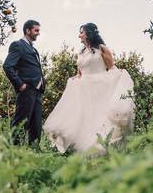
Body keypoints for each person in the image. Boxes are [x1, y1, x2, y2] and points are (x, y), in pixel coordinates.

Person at [44, 23, 134, 154]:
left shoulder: (102, 49)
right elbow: (79, 73)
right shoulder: (81, 52)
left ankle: (100, 148)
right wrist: (74, 80)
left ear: (89, 33)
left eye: (81, 32)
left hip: (100, 87)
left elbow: (112, 69)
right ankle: (83, 150)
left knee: (99, 117)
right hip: (84, 88)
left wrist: (118, 81)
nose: (79, 35)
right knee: (83, 118)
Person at [2, 19, 45, 145]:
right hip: (26, 90)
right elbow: (7, 66)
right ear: (28, 30)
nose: (38, 33)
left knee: (36, 125)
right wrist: (19, 84)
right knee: (21, 123)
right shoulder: (18, 45)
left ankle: (34, 152)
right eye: (36, 30)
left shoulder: (34, 50)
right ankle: (14, 152)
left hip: (37, 92)